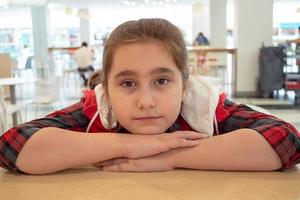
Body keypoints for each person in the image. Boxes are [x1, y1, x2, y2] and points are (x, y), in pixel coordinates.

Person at [0, 18, 299, 175]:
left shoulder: (204, 107)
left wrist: (168, 156)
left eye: (162, 80)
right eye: (128, 83)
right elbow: (13, 146)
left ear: (185, 83)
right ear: (107, 87)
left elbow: (286, 140)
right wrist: (135, 145)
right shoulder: (97, 110)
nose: (146, 101)